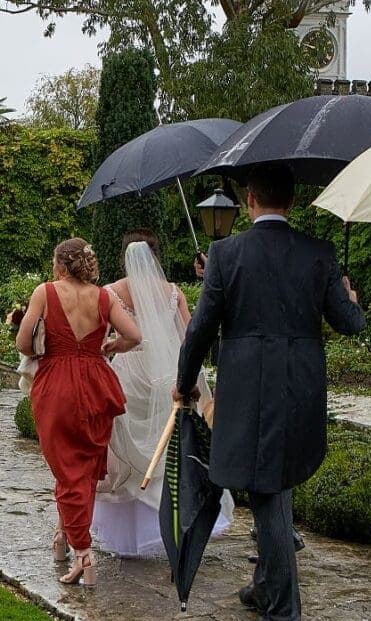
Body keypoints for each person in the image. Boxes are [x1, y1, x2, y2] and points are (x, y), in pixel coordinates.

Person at [175, 164, 366, 621]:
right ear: (293, 202)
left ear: (250, 200)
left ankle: (284, 618)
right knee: (273, 484)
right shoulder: (319, 253)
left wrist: (185, 384)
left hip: (249, 387)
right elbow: (351, 325)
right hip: (301, 386)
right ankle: (265, 586)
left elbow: (200, 328)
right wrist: (351, 299)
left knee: (270, 492)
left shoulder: (226, 252)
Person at [95, 231, 232, 556]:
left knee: (131, 455)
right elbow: (190, 337)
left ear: (124, 258)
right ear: (157, 258)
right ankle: (179, 524)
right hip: (170, 372)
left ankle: (132, 534)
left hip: (130, 374)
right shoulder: (173, 292)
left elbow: (100, 341)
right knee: (173, 448)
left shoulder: (110, 292)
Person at [16, 237, 143, 586]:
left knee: (67, 472)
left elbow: (22, 342)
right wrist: (111, 345)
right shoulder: (103, 296)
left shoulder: (45, 291)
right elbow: (135, 335)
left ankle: (83, 555)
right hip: (96, 383)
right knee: (83, 472)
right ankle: (63, 539)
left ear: (59, 265)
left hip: (57, 385)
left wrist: (46, 346)